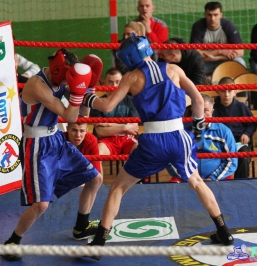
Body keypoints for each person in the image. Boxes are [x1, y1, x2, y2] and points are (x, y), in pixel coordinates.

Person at [82, 34, 234, 259]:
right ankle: (225, 233)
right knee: (196, 182)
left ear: (129, 58)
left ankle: (98, 243)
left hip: (152, 142)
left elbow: (106, 106)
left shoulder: (131, 77)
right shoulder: (173, 69)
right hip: (178, 137)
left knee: (118, 188)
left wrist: (87, 96)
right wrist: (199, 129)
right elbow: (199, 101)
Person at [2, 49, 103, 261]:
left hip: (56, 138)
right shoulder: (37, 84)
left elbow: (81, 116)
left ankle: (81, 227)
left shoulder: (63, 81)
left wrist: (89, 88)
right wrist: (77, 93)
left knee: (95, 178)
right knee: (41, 205)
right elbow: (68, 114)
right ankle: (13, 241)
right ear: (58, 69)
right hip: (37, 144)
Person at [168, 93, 237, 182]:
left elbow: (232, 161)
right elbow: (170, 159)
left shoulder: (223, 131)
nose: (201, 115)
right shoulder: (182, 130)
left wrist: (213, 178)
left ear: (212, 112)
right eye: (198, 110)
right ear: (192, 110)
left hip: (217, 179)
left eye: (205, 110)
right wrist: (188, 177)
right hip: (186, 179)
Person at [89, 68, 140, 178]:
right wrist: (125, 126)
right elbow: (100, 132)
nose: (114, 85)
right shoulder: (98, 103)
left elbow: (134, 128)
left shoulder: (131, 101)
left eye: (118, 82)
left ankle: (129, 185)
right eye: (111, 82)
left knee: (139, 150)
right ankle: (98, 186)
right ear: (104, 83)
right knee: (96, 153)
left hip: (127, 138)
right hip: (108, 140)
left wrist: (108, 124)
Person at [213, 77, 257, 178]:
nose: (226, 94)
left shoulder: (241, 107)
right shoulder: (213, 109)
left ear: (235, 92)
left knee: (243, 156)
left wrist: (247, 133)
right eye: (223, 91)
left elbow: (253, 123)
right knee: (211, 158)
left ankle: (241, 183)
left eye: (230, 91)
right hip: (219, 144)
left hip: (238, 143)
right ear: (218, 91)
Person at [189, 1, 245, 75]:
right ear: (205, 15)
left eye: (216, 15)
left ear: (221, 15)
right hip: (206, 61)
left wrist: (217, 58)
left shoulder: (228, 25)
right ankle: (203, 84)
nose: (212, 18)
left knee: (240, 62)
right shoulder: (198, 26)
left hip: (225, 60)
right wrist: (220, 51)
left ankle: (237, 85)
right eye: (209, 15)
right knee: (192, 67)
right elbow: (195, 53)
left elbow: (241, 52)